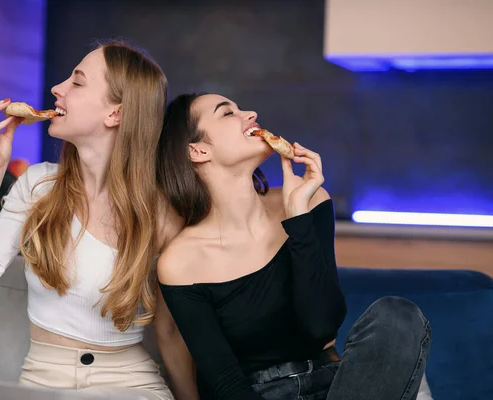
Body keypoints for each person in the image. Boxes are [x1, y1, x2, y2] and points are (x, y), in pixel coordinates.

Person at [154, 93, 432, 400]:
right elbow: (224, 384)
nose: (250, 113)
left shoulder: (311, 202)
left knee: (397, 316)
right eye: (227, 113)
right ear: (198, 150)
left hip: (337, 387)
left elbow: (321, 328)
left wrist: (298, 218)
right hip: (260, 393)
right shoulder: (180, 262)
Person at [0, 41, 181, 400]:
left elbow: (172, 327)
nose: (57, 88)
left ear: (115, 114)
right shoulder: (37, 185)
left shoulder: (160, 211)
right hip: (43, 380)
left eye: (78, 81)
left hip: (130, 384)